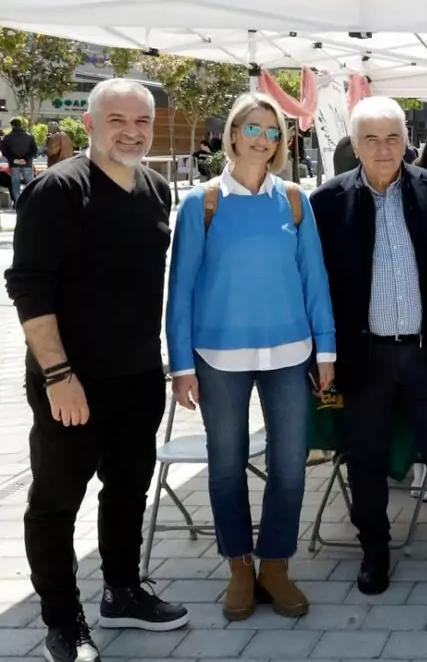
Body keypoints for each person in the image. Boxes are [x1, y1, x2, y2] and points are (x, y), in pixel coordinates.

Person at [3, 78, 189, 662]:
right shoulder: (58, 189)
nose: (132, 132)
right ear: (89, 125)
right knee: (56, 503)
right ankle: (63, 622)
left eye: (142, 122)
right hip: (71, 382)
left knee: (128, 490)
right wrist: (58, 375)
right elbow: (28, 286)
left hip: (139, 375)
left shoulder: (156, 189)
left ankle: (123, 592)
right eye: (118, 121)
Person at [166, 93, 336, 622]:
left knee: (289, 465)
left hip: (290, 352)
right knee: (225, 465)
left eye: (273, 131)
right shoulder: (202, 204)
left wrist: (326, 349)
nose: (264, 139)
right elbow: (180, 289)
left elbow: (314, 278)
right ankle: (239, 567)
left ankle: (276, 566)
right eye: (254, 128)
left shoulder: (295, 200)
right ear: (233, 135)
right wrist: (180, 365)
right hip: (217, 356)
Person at [310, 97, 427, 602]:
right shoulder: (328, 202)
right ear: (355, 144)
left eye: (393, 138)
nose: (384, 149)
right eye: (372, 139)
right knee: (365, 459)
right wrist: (323, 355)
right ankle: (375, 553)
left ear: (407, 141)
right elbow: (318, 287)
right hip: (364, 358)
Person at [2, 117, 38, 203]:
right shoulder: (29, 136)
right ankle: (31, 202)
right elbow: (34, 150)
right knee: (30, 183)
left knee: (15, 184)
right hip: (27, 163)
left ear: (11, 125)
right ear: (21, 125)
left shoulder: (7, 137)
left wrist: (13, 159)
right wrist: (25, 159)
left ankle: (18, 202)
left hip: (14, 164)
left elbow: (4, 151)